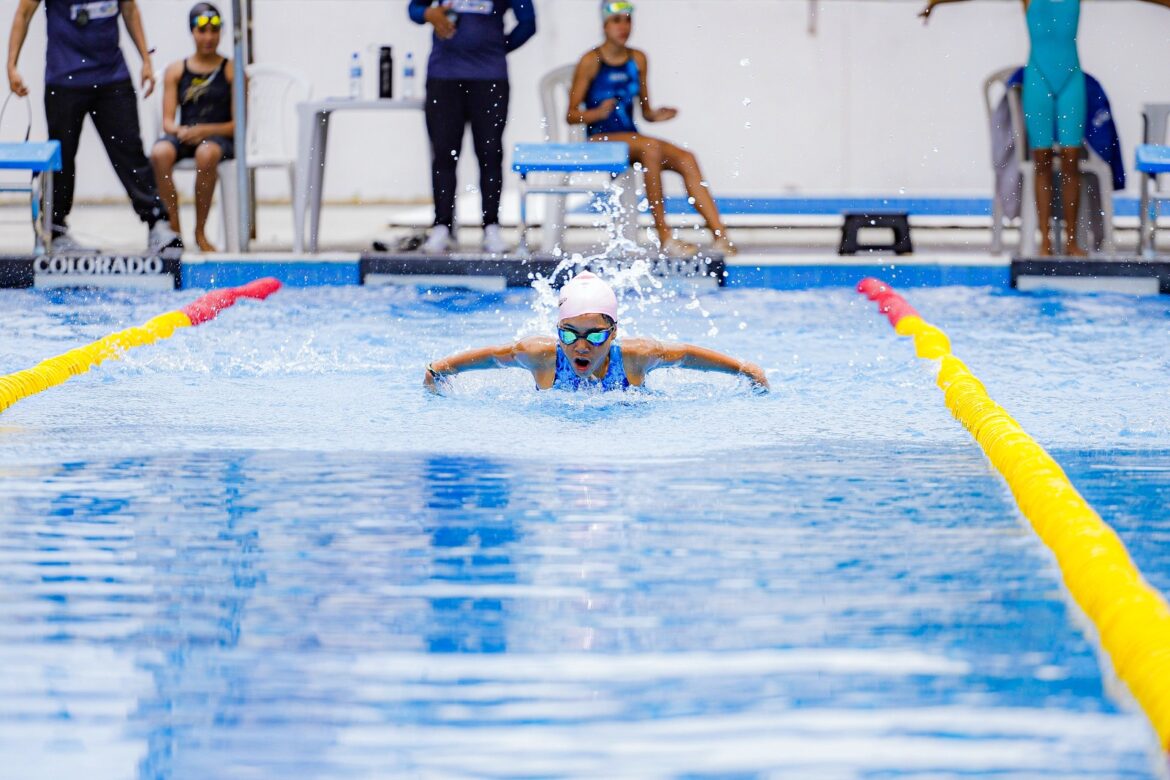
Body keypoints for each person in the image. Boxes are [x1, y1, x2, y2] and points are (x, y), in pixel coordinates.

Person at [920, 0, 1170, 256]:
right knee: (1042, 163)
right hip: (1037, 79)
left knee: (1071, 161)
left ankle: (1072, 241)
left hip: (1071, 80)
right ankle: (1045, 240)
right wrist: (936, 2)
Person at [7, 0, 182, 254]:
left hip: (112, 78)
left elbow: (130, 9)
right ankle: (55, 231)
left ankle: (157, 223)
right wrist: (11, 65)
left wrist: (145, 59)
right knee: (62, 156)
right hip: (64, 80)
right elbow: (23, 12)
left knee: (130, 150)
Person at [566, 1, 737, 259]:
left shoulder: (639, 59)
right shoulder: (591, 61)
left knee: (686, 158)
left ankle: (720, 235)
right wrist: (596, 113)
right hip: (599, 139)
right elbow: (571, 115)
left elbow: (645, 110)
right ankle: (665, 236)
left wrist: (657, 115)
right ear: (604, 25)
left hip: (633, 139)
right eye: (617, 21)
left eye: (627, 20)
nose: (623, 27)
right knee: (651, 147)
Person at [423, 271, 768, 392]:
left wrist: (743, 369)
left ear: (614, 333)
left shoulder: (635, 357)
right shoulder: (541, 356)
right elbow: (494, 357)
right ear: (558, 332)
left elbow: (686, 355)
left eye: (595, 335)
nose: (582, 346)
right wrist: (439, 369)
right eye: (571, 335)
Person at [408, 0, 537, 256]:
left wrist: (499, 47)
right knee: (444, 154)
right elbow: (414, 9)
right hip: (443, 77)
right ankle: (442, 227)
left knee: (490, 153)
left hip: (490, 78)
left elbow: (528, 22)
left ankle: (491, 227)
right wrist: (428, 13)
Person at [149, 4, 234, 253]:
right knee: (160, 153)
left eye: (214, 31)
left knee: (205, 154)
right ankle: (175, 231)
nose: (208, 37)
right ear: (192, 32)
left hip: (218, 138)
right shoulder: (176, 70)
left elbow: (238, 125)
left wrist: (203, 131)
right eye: (202, 31)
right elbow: (167, 122)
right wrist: (182, 132)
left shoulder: (230, 71)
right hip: (186, 135)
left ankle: (200, 232)